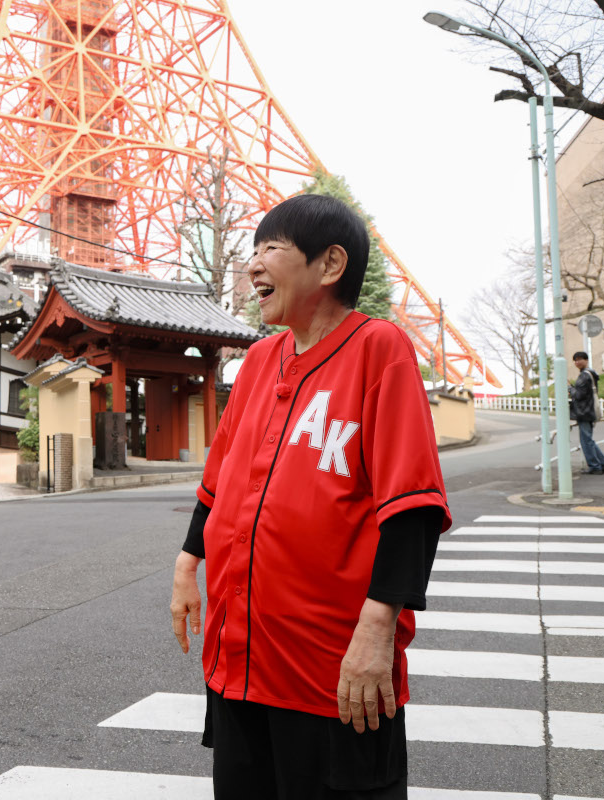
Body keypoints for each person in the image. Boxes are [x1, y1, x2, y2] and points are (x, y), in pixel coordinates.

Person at [170, 194, 451, 800]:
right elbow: (218, 479)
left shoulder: (379, 349)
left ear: (329, 266)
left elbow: (415, 506)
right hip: (239, 658)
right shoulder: (257, 361)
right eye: (253, 248)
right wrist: (188, 562)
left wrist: (377, 634)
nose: (253, 264)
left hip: (332, 668)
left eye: (272, 247)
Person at [570, 351, 604, 475]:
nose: (577, 362)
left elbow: (578, 395)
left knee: (586, 441)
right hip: (589, 410)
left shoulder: (584, 376)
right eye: (575, 360)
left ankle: (595, 466)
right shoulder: (591, 374)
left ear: (586, 360)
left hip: (584, 411)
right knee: (588, 440)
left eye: (579, 359)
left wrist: (569, 388)